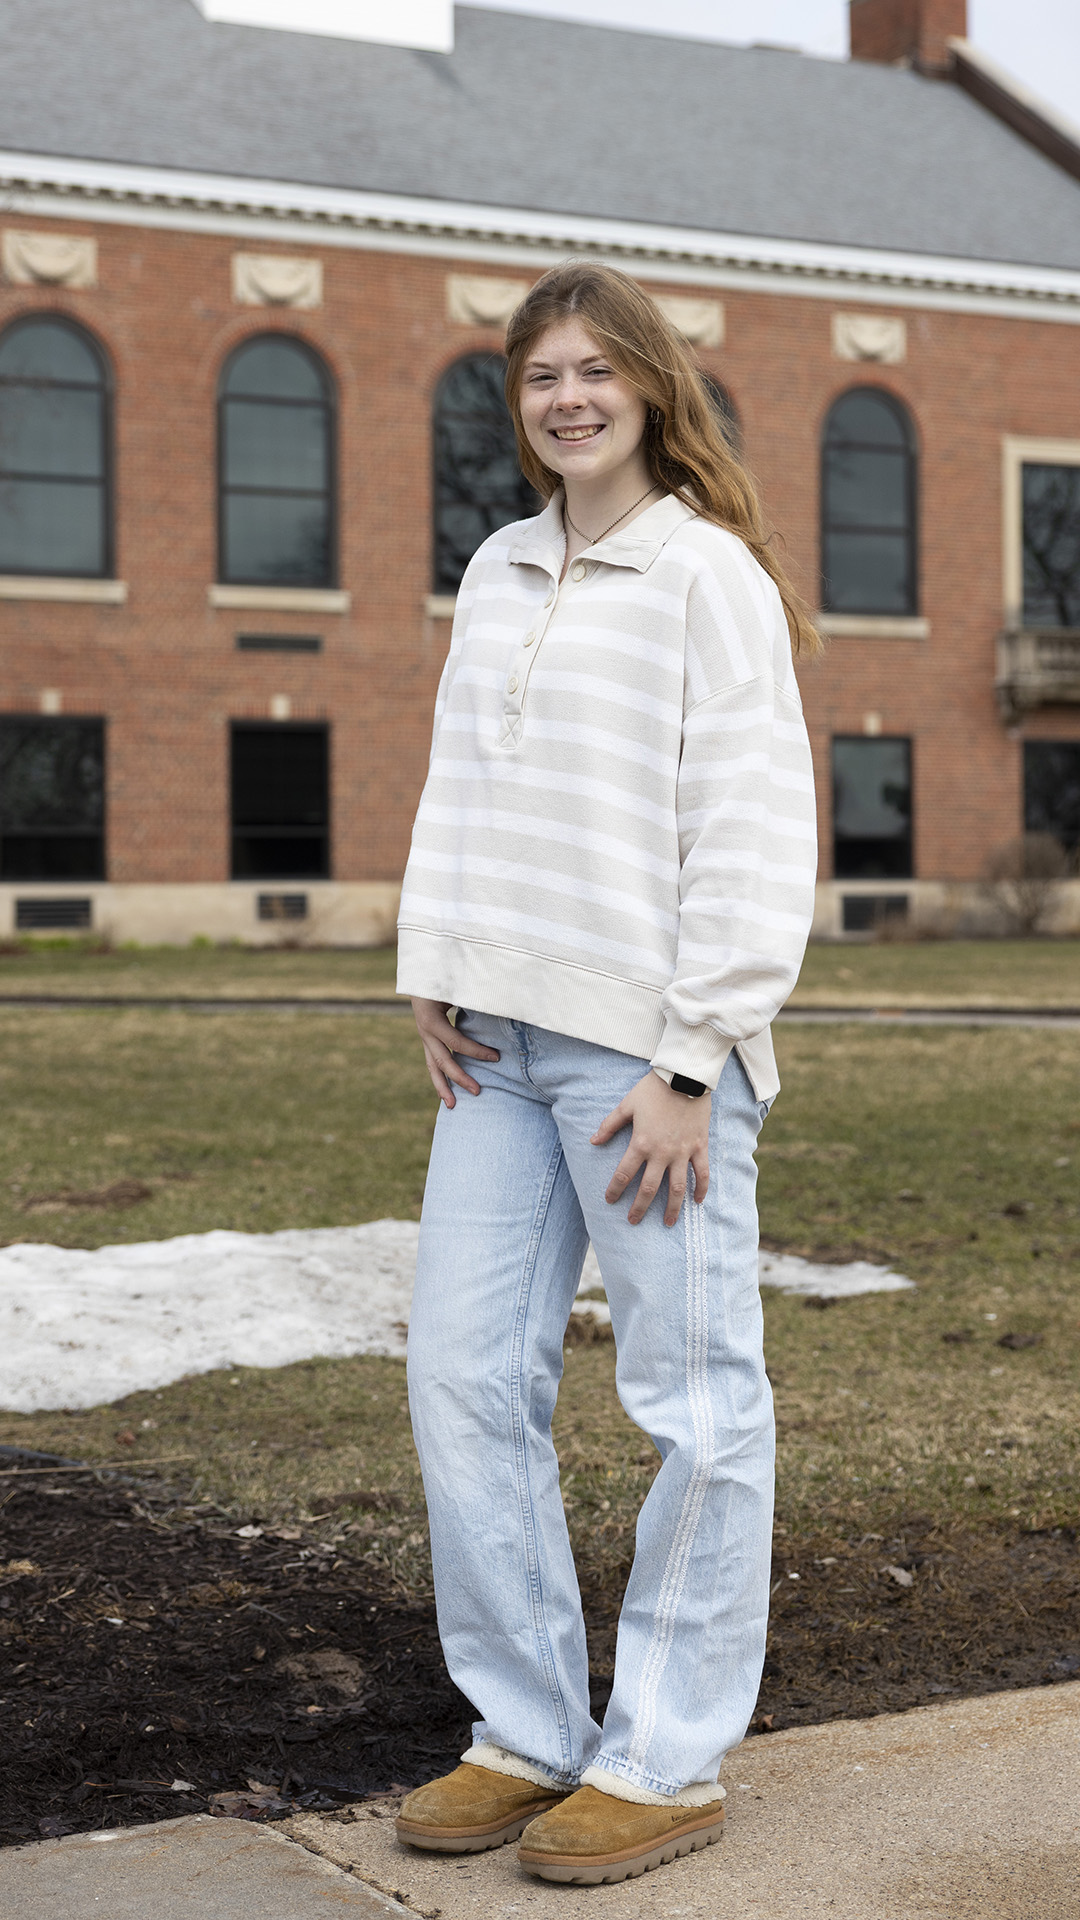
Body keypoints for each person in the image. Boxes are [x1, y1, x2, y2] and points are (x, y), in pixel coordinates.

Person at [393, 261, 819, 1886]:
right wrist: (433, 964)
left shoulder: (707, 578)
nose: (567, 396)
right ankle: (524, 1731)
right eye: (539, 374)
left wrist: (697, 1058)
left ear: (650, 387)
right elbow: (464, 789)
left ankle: (665, 1756)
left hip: (652, 1064)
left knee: (695, 1408)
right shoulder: (498, 566)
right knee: (464, 1378)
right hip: (494, 1049)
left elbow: (755, 827)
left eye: (594, 370)